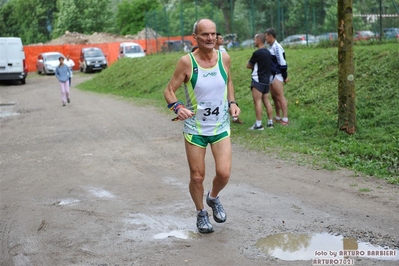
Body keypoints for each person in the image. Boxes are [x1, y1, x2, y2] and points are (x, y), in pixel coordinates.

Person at [164, 18, 240, 234]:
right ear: (195, 38)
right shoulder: (187, 62)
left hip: (220, 127)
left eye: (213, 34)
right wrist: (178, 107)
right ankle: (201, 213)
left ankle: (213, 197)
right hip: (195, 129)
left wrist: (232, 103)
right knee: (197, 176)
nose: (210, 38)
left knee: (224, 173)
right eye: (205, 34)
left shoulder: (224, 58)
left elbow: (228, 81)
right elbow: (169, 90)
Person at [246, 33, 274, 130]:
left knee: (257, 101)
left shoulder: (257, 53)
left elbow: (248, 65)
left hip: (257, 80)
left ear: (258, 40)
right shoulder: (268, 52)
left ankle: (258, 124)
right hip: (266, 81)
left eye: (254, 39)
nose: (254, 41)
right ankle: (270, 123)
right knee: (266, 101)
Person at [264, 28, 289, 125]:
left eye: (266, 36)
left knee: (280, 96)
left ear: (270, 36)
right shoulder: (270, 46)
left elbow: (282, 63)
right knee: (274, 97)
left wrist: (284, 76)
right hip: (271, 75)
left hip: (277, 75)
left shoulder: (277, 47)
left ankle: (285, 118)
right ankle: (278, 116)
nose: (265, 38)